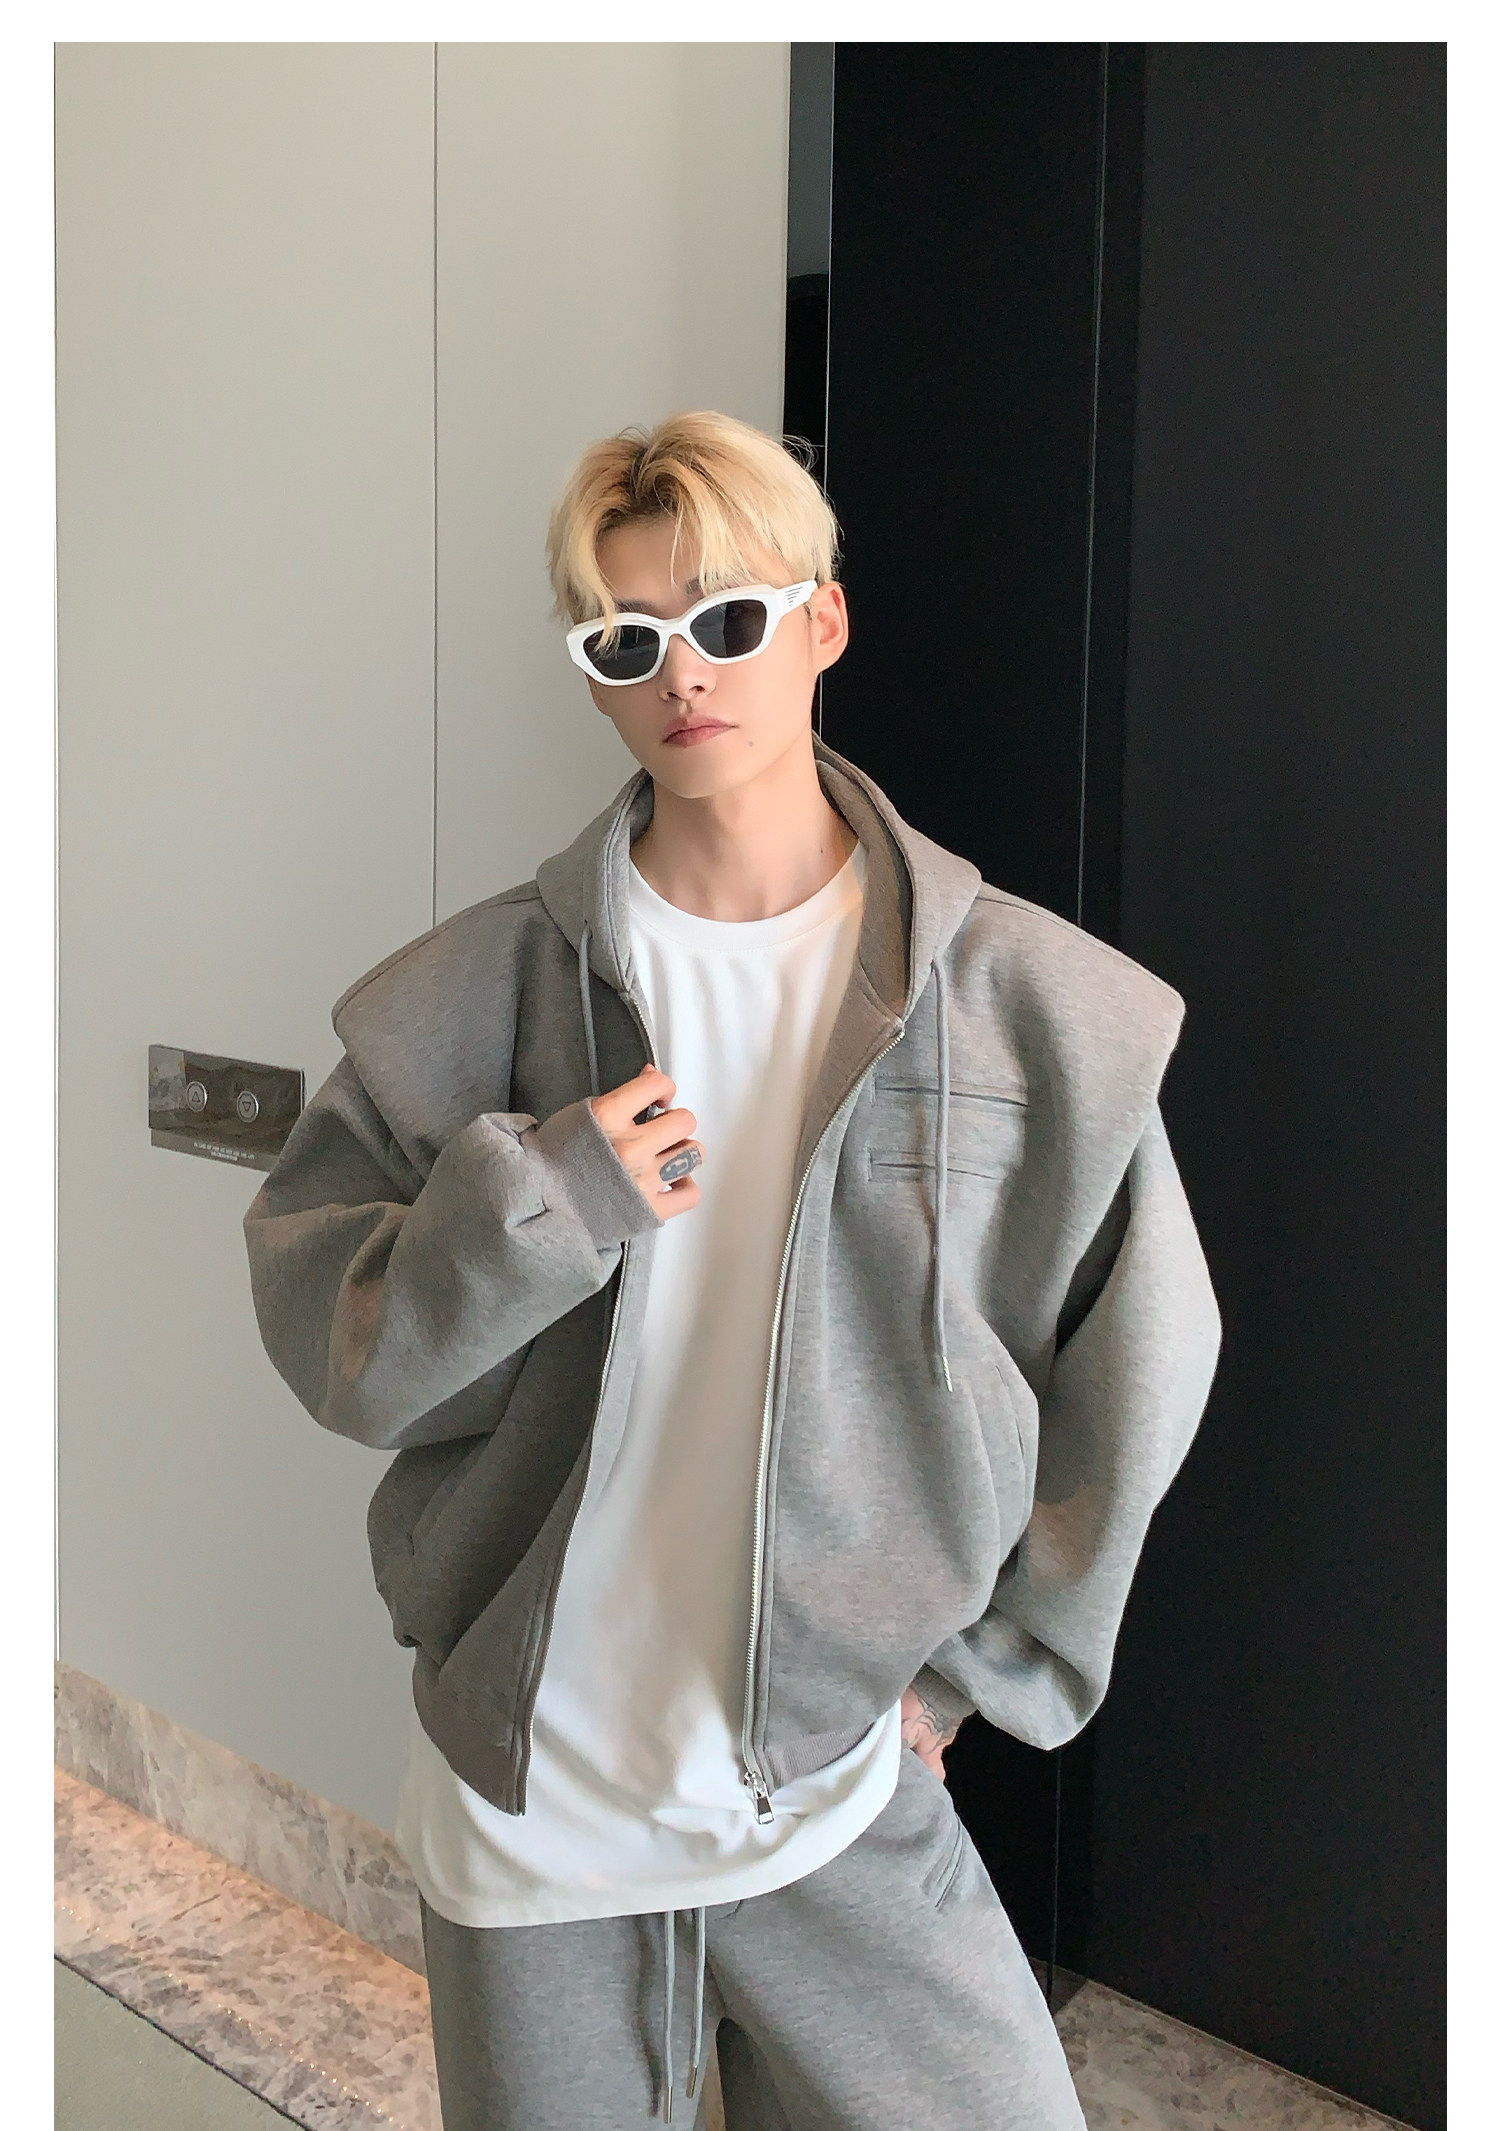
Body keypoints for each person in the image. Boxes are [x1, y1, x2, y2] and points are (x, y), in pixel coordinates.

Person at [243, 410, 1222, 2130]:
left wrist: (986, 1668)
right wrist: (542, 1200)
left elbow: (1145, 1352)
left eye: (729, 619)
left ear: (822, 622)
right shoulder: (474, 997)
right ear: (597, 681)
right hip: (536, 1796)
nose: (684, 673)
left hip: (835, 1783)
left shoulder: (1027, 1007)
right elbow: (343, 1346)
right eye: (628, 642)